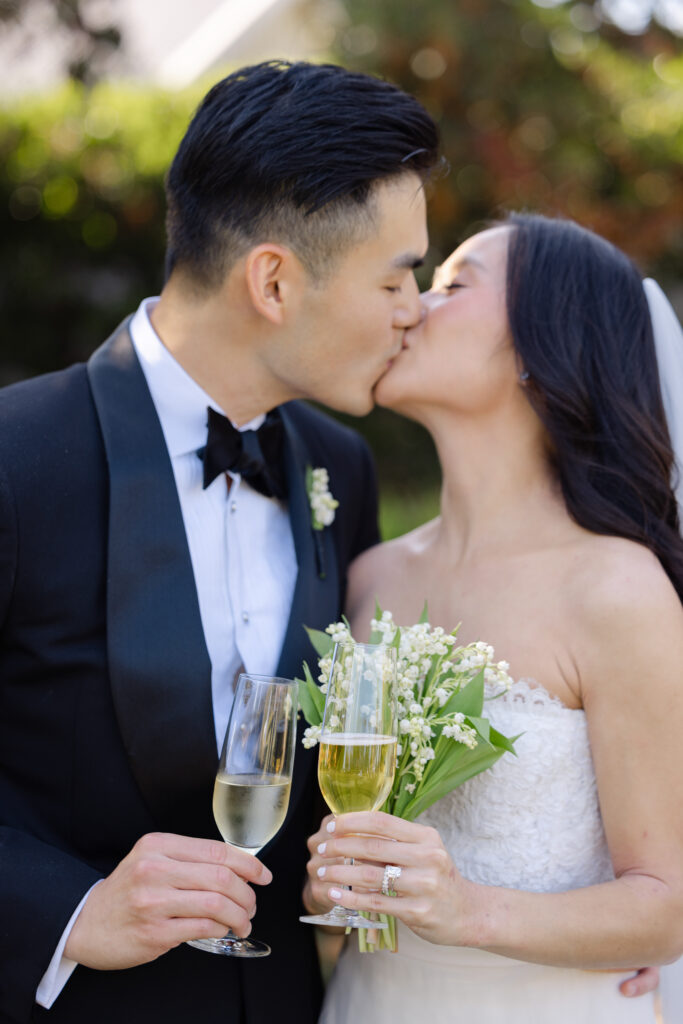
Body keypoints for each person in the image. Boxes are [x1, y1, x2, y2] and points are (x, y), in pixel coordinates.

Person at [0, 60, 440, 1024]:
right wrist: (67, 912)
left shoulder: (340, 469)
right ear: (273, 281)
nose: (416, 306)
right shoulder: (15, 459)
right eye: (397, 275)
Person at [304, 213, 683, 1022]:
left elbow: (666, 905)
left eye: (451, 286)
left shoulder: (614, 590)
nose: (408, 307)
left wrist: (468, 910)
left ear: (537, 349)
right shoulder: (373, 577)